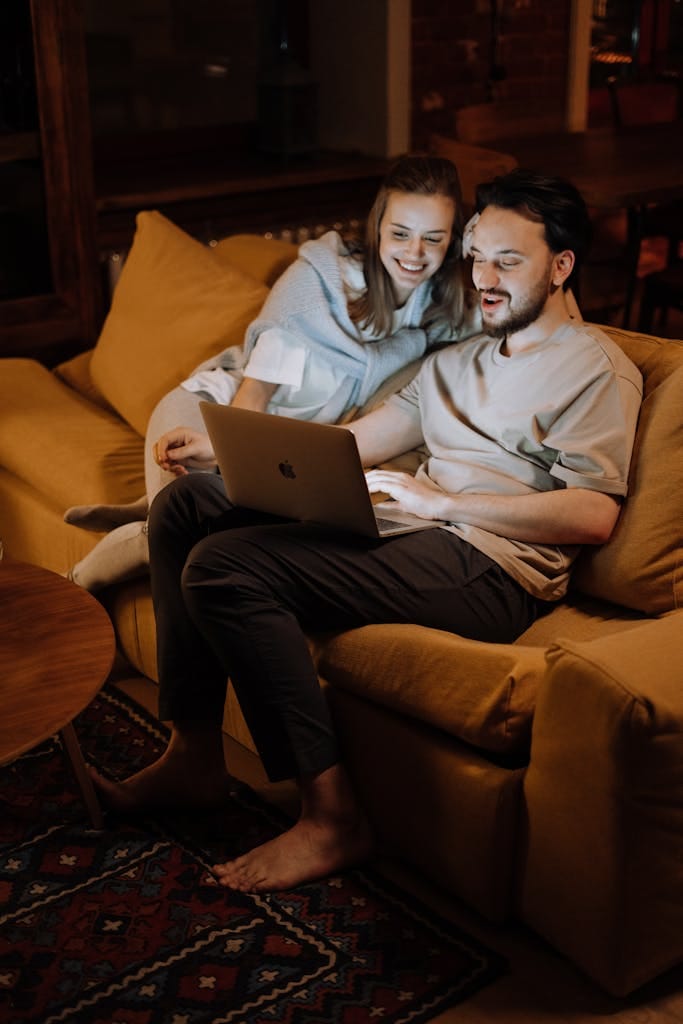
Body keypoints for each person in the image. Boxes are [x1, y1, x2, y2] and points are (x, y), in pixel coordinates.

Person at [92, 169, 642, 895]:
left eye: (508, 261)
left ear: (561, 265)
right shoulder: (457, 360)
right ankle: (194, 753)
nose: (484, 278)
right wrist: (228, 457)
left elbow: (592, 514)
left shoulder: (596, 370)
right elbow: (354, 445)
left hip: (492, 568)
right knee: (188, 505)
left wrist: (443, 504)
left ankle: (332, 818)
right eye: (478, 257)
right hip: (409, 531)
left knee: (226, 567)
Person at [64, 154, 479, 591]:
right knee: (179, 538)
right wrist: (220, 449)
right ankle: (71, 586)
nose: (415, 253)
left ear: (453, 242)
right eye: (400, 234)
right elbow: (255, 392)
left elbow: (507, 328)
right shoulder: (316, 284)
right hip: (214, 414)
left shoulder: (444, 314)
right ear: (376, 227)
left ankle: (148, 508)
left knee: (221, 546)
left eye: (433, 239)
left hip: (282, 456)